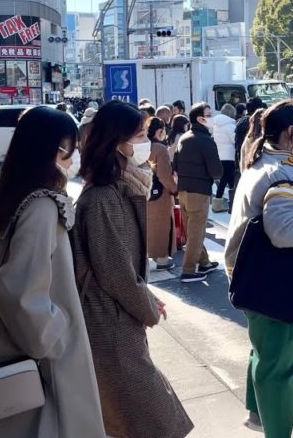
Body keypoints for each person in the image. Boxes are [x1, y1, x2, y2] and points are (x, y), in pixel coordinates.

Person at [0, 106, 105, 438]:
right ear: (54, 148)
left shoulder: (19, 194)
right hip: (40, 357)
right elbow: (20, 291)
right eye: (70, 146)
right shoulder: (43, 205)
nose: (73, 154)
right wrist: (57, 333)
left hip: (6, 346)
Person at [74, 101, 193, 438]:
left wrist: (147, 298)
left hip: (118, 319)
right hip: (109, 325)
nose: (147, 144)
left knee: (134, 421)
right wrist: (147, 308)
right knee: (154, 421)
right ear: (117, 142)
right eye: (140, 135)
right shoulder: (101, 198)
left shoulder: (121, 187)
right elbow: (115, 273)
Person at [224, 100, 293, 436]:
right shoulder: (280, 171)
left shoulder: (266, 160)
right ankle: (278, 430)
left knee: (264, 350)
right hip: (278, 280)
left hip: (258, 275)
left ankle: (257, 413)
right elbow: (285, 230)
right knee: (280, 366)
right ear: (290, 132)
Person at [172, 103, 223, 283]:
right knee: (196, 232)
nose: (212, 118)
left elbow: (175, 165)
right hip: (199, 190)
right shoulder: (206, 140)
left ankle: (204, 262)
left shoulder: (184, 138)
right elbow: (216, 171)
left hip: (183, 190)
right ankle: (188, 270)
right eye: (209, 115)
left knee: (193, 229)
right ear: (201, 119)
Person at [145, 117, 177, 271]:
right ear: (160, 131)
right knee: (161, 226)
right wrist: (174, 189)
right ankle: (162, 259)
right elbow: (164, 175)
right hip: (160, 194)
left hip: (144, 190)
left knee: (147, 225)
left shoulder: (141, 146)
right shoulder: (160, 149)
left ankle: (148, 256)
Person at [212, 103, 238, 213]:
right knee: (227, 178)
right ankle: (219, 201)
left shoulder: (216, 125)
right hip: (229, 156)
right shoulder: (231, 126)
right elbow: (234, 141)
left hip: (219, 155)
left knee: (229, 179)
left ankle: (233, 201)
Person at [236, 97, 266, 177]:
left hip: (243, 161)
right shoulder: (257, 123)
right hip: (256, 165)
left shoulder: (240, 122)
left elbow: (238, 144)